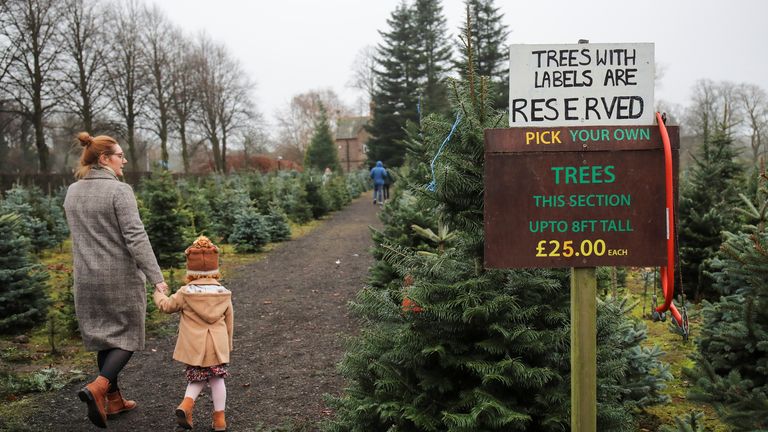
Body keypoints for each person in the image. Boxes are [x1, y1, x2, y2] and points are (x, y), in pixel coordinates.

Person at [64, 132, 168, 428]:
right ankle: (98, 387)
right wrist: (156, 278)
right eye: (119, 155)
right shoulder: (119, 191)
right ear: (103, 159)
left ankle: (113, 400)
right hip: (119, 277)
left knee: (104, 338)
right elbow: (135, 237)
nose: (124, 160)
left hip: (85, 279)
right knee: (128, 335)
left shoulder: (72, 191)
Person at [154, 236, 234, 432]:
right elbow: (229, 322)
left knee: (196, 378)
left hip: (194, 346)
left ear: (191, 269)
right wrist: (228, 346)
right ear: (215, 268)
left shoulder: (185, 292)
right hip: (217, 345)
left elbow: (166, 306)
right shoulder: (224, 293)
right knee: (217, 379)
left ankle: (186, 405)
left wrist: (158, 293)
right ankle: (220, 421)